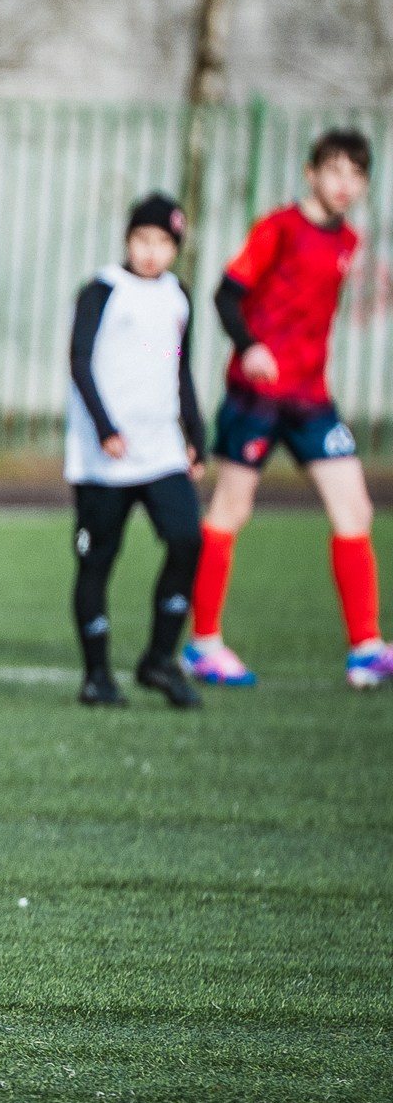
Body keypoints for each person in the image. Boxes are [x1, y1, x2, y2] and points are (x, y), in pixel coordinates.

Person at [183, 129, 387, 689]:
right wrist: (250, 346)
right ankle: (202, 644)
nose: (346, 184)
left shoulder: (349, 240)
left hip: (312, 400)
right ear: (310, 171)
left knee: (355, 509)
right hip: (257, 396)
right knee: (230, 510)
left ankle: (366, 649)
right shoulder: (278, 228)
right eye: (336, 170)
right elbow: (226, 295)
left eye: (357, 175)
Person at [64, 193, 206, 710]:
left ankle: (159, 659)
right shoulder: (104, 289)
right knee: (98, 560)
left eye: (163, 243)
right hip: (106, 455)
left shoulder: (177, 296)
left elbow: (180, 370)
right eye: (142, 240)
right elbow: (79, 360)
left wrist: (195, 433)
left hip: (162, 449)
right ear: (127, 240)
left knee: (188, 538)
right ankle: (97, 674)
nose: (151, 252)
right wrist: (104, 426)